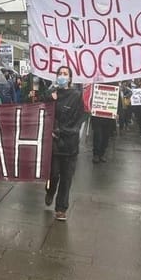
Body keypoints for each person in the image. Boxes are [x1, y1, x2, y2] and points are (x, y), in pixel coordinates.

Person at [44, 66, 85, 221]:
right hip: (53, 144)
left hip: (69, 144)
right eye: (59, 73)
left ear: (70, 78)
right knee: (53, 175)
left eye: (65, 74)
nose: (62, 76)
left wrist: (62, 131)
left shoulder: (76, 96)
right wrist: (49, 98)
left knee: (66, 178)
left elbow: (78, 119)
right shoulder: (51, 93)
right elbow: (43, 112)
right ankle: (49, 191)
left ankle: (61, 208)